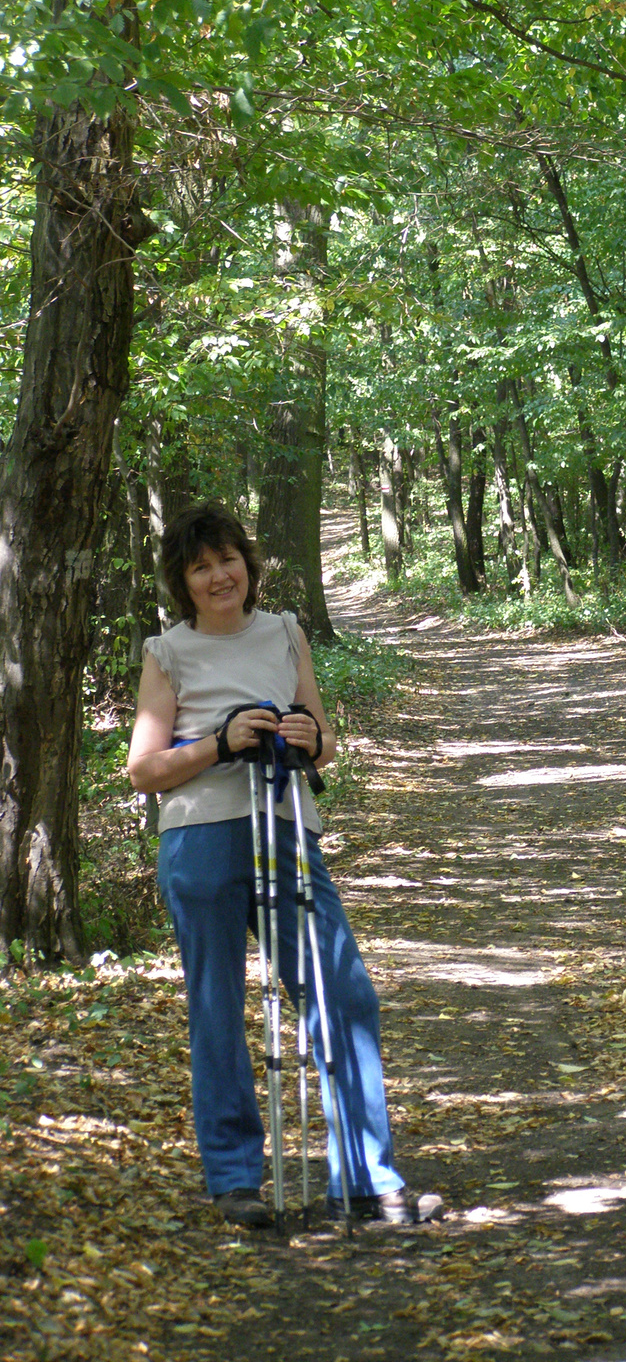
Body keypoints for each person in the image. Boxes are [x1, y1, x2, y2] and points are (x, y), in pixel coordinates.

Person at [127, 500, 439, 1230]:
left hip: (288, 828)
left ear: (248, 563)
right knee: (216, 1007)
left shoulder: (287, 632)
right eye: (200, 566)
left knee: (342, 996)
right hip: (201, 840)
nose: (218, 575)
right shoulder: (167, 651)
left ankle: (364, 1182)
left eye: (227, 559)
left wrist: (307, 737)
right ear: (183, 580)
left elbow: (324, 741)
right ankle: (236, 1181)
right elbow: (143, 771)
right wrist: (220, 742)